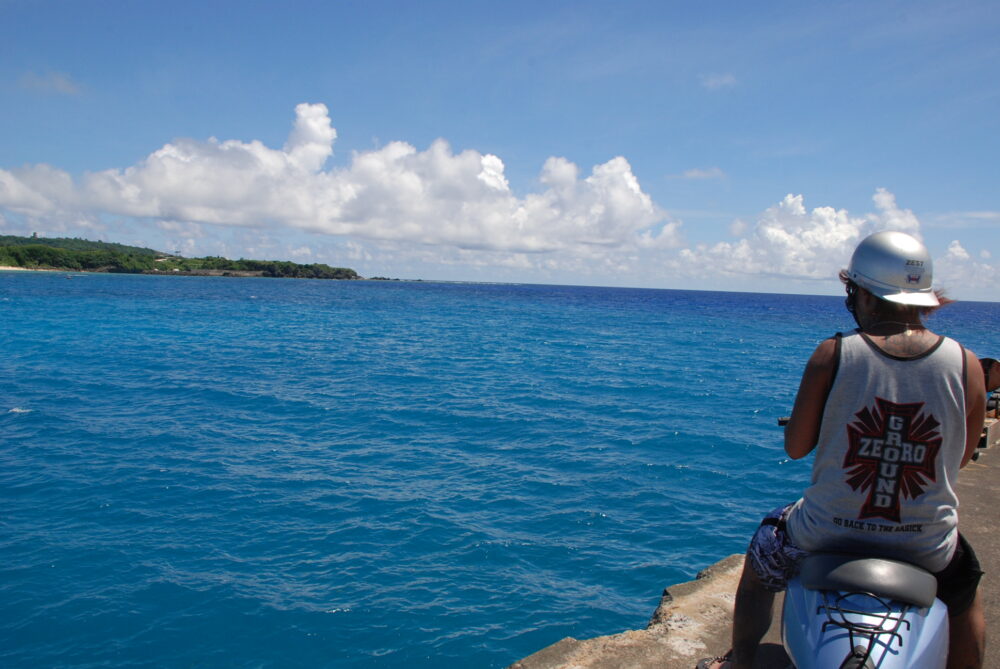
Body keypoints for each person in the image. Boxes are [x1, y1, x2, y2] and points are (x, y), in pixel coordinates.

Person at [699, 231, 987, 669]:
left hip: (824, 532)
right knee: (965, 592)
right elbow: (960, 457)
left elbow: (796, 447)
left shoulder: (833, 354)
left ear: (864, 295)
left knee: (760, 566)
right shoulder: (967, 364)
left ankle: (740, 662)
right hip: (925, 544)